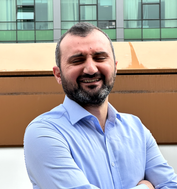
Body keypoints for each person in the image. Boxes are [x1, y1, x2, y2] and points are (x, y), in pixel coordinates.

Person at [24, 22, 177, 189]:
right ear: (58, 74)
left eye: (100, 57)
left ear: (115, 67)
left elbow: (170, 185)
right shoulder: (44, 132)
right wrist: (146, 188)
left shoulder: (136, 128)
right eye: (77, 60)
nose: (90, 69)